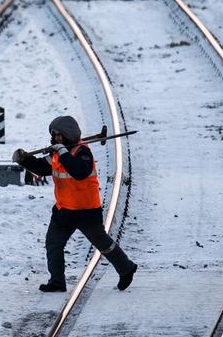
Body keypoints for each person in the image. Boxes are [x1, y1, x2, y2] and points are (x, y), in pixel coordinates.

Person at [13, 115, 138, 292]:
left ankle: (126, 268)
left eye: (59, 135)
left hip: (86, 211)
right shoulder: (57, 154)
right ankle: (57, 281)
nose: (56, 139)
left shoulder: (82, 152)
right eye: (54, 135)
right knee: (53, 244)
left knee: (103, 243)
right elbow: (41, 167)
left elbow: (79, 172)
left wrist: (62, 152)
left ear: (68, 134)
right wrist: (24, 160)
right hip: (64, 211)